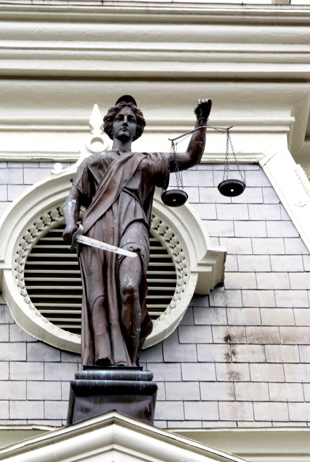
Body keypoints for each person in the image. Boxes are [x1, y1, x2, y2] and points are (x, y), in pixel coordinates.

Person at [62, 95, 211, 367]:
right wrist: (71, 223)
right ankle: (106, 357)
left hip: (132, 224)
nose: (125, 123)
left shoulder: (146, 162)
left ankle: (129, 357)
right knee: (98, 299)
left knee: (129, 288)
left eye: (131, 120)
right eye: (120, 118)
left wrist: (201, 121)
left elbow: (191, 157)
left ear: (137, 129)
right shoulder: (93, 163)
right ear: (110, 126)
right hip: (97, 230)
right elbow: (73, 199)